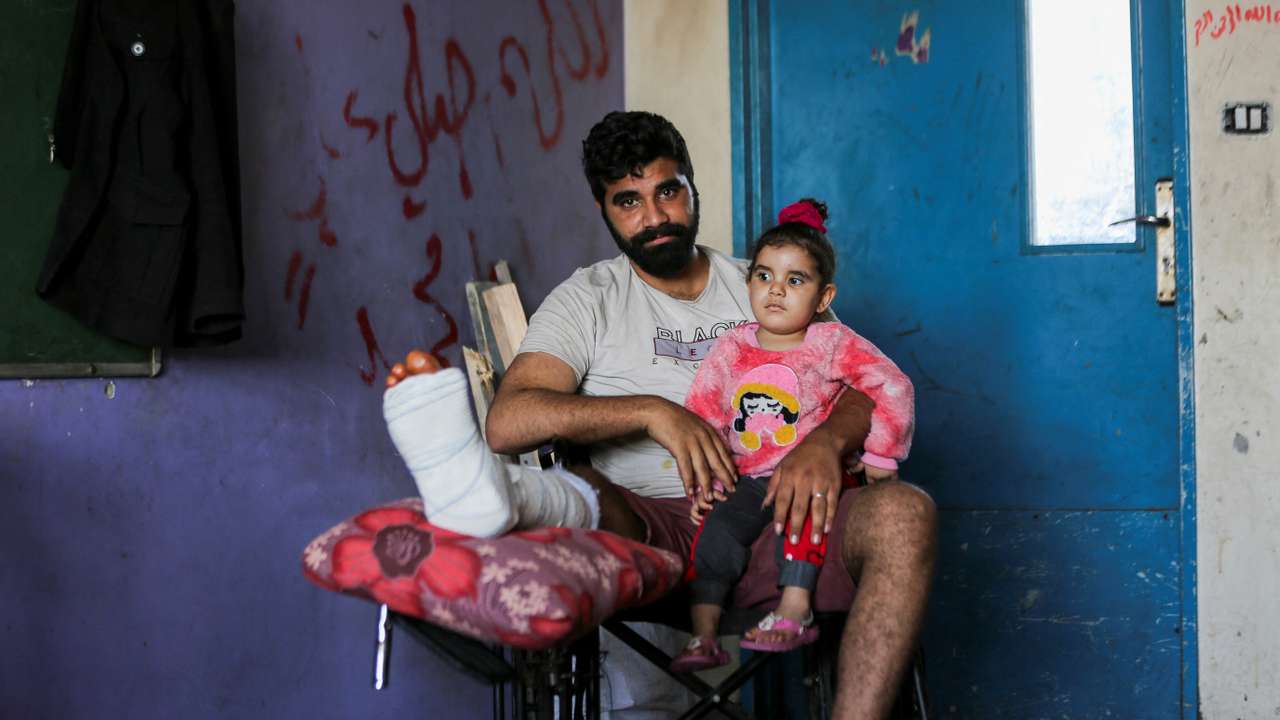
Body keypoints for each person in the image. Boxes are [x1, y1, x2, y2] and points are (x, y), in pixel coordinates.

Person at [383, 111, 936, 720]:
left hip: (783, 518)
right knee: (582, 491)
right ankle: (491, 495)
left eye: (668, 191)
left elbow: (861, 379)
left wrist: (826, 442)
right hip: (652, 534)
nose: (654, 216)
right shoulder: (587, 299)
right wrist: (651, 412)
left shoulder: (761, 281)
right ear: (604, 210)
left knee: (905, 513)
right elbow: (508, 420)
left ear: (692, 188)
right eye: (629, 201)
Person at [671, 198, 914, 673]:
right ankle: (703, 635)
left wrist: (881, 457)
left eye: (794, 280)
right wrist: (705, 483)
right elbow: (703, 414)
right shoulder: (732, 347)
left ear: (823, 298)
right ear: (748, 283)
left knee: (804, 515)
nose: (776, 290)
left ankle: (794, 609)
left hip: (809, 474)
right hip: (747, 480)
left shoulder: (832, 344)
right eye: (763, 276)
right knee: (714, 533)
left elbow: (893, 385)